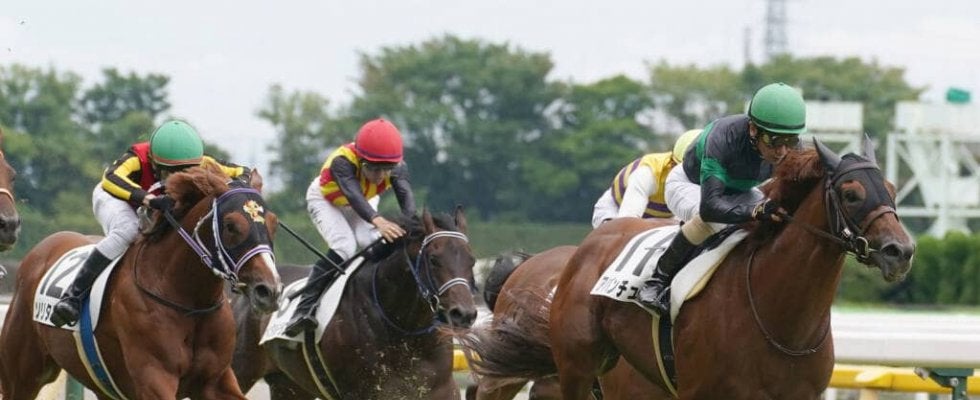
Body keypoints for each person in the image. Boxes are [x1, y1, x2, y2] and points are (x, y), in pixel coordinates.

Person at [50, 120, 252, 327]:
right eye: (169, 172)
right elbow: (110, 178)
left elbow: (244, 172)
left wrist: (240, 187)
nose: (177, 177)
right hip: (115, 197)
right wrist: (149, 199)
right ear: (153, 162)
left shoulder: (205, 162)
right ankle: (73, 296)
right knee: (128, 230)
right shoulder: (137, 158)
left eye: (187, 170)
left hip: (153, 203)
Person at [636, 82, 806, 315]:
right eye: (775, 141)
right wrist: (755, 211)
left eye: (791, 140)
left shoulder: (790, 148)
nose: (783, 151)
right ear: (753, 129)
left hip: (739, 190)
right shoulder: (722, 138)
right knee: (712, 221)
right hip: (691, 185)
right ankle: (656, 281)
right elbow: (710, 207)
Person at [284, 118, 416, 336]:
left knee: (372, 242)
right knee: (344, 246)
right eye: (373, 169)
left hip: (362, 201)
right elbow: (353, 196)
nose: (380, 176)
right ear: (361, 159)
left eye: (386, 170)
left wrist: (412, 228)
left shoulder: (398, 167)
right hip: (328, 200)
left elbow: (406, 200)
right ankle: (303, 308)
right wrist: (378, 220)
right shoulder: (342, 162)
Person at [591, 128, 702, 228]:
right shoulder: (648, 173)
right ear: (673, 164)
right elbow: (627, 222)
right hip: (615, 210)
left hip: (664, 218)